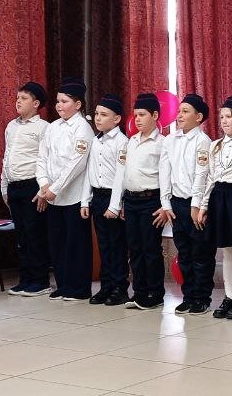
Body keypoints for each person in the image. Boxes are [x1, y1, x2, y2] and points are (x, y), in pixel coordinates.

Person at [196, 95, 232, 320]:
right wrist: (204, 205)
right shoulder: (215, 145)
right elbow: (211, 178)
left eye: (229, 117)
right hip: (219, 198)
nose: (224, 121)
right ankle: (229, 296)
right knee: (226, 251)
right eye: (221, 117)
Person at [35, 78, 94, 301]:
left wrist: (56, 187)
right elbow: (42, 157)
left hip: (74, 196)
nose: (59, 105)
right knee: (57, 242)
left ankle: (79, 288)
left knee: (76, 243)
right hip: (52, 195)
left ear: (77, 105)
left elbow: (76, 163)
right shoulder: (52, 127)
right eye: (58, 101)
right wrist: (44, 183)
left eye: (64, 101)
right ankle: (63, 284)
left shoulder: (83, 128)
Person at [110, 93, 168, 310]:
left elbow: (165, 176)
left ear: (155, 115)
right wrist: (119, 203)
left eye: (142, 115)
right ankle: (139, 291)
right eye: (135, 115)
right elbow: (122, 173)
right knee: (134, 248)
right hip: (131, 200)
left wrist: (165, 204)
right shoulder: (131, 141)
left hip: (150, 200)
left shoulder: (162, 143)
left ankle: (155, 293)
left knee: (150, 248)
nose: (138, 119)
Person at [162, 93, 214, 314]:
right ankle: (189, 295)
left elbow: (202, 175)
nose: (179, 115)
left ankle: (202, 298)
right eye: (179, 111)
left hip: (196, 206)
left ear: (198, 116)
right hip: (176, 204)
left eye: (185, 111)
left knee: (200, 253)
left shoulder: (203, 141)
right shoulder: (170, 140)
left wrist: (196, 205)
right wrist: (166, 202)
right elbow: (165, 171)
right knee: (183, 252)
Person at [1, 82, 51, 298]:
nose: (18, 101)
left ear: (36, 103)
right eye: (17, 97)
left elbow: (46, 160)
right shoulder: (11, 126)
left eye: (24, 98)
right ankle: (26, 279)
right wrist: (4, 186)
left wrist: (43, 190)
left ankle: (40, 280)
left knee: (34, 234)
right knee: (21, 236)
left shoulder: (44, 128)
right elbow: (7, 157)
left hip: (33, 186)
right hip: (14, 186)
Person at [82, 94, 130, 306]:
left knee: (117, 245)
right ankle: (106, 285)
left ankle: (120, 287)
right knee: (104, 245)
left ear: (117, 119)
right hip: (98, 197)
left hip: (113, 197)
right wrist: (85, 201)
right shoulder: (95, 140)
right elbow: (89, 172)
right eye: (96, 114)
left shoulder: (122, 142)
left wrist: (114, 205)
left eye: (104, 114)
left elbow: (121, 175)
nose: (98, 118)